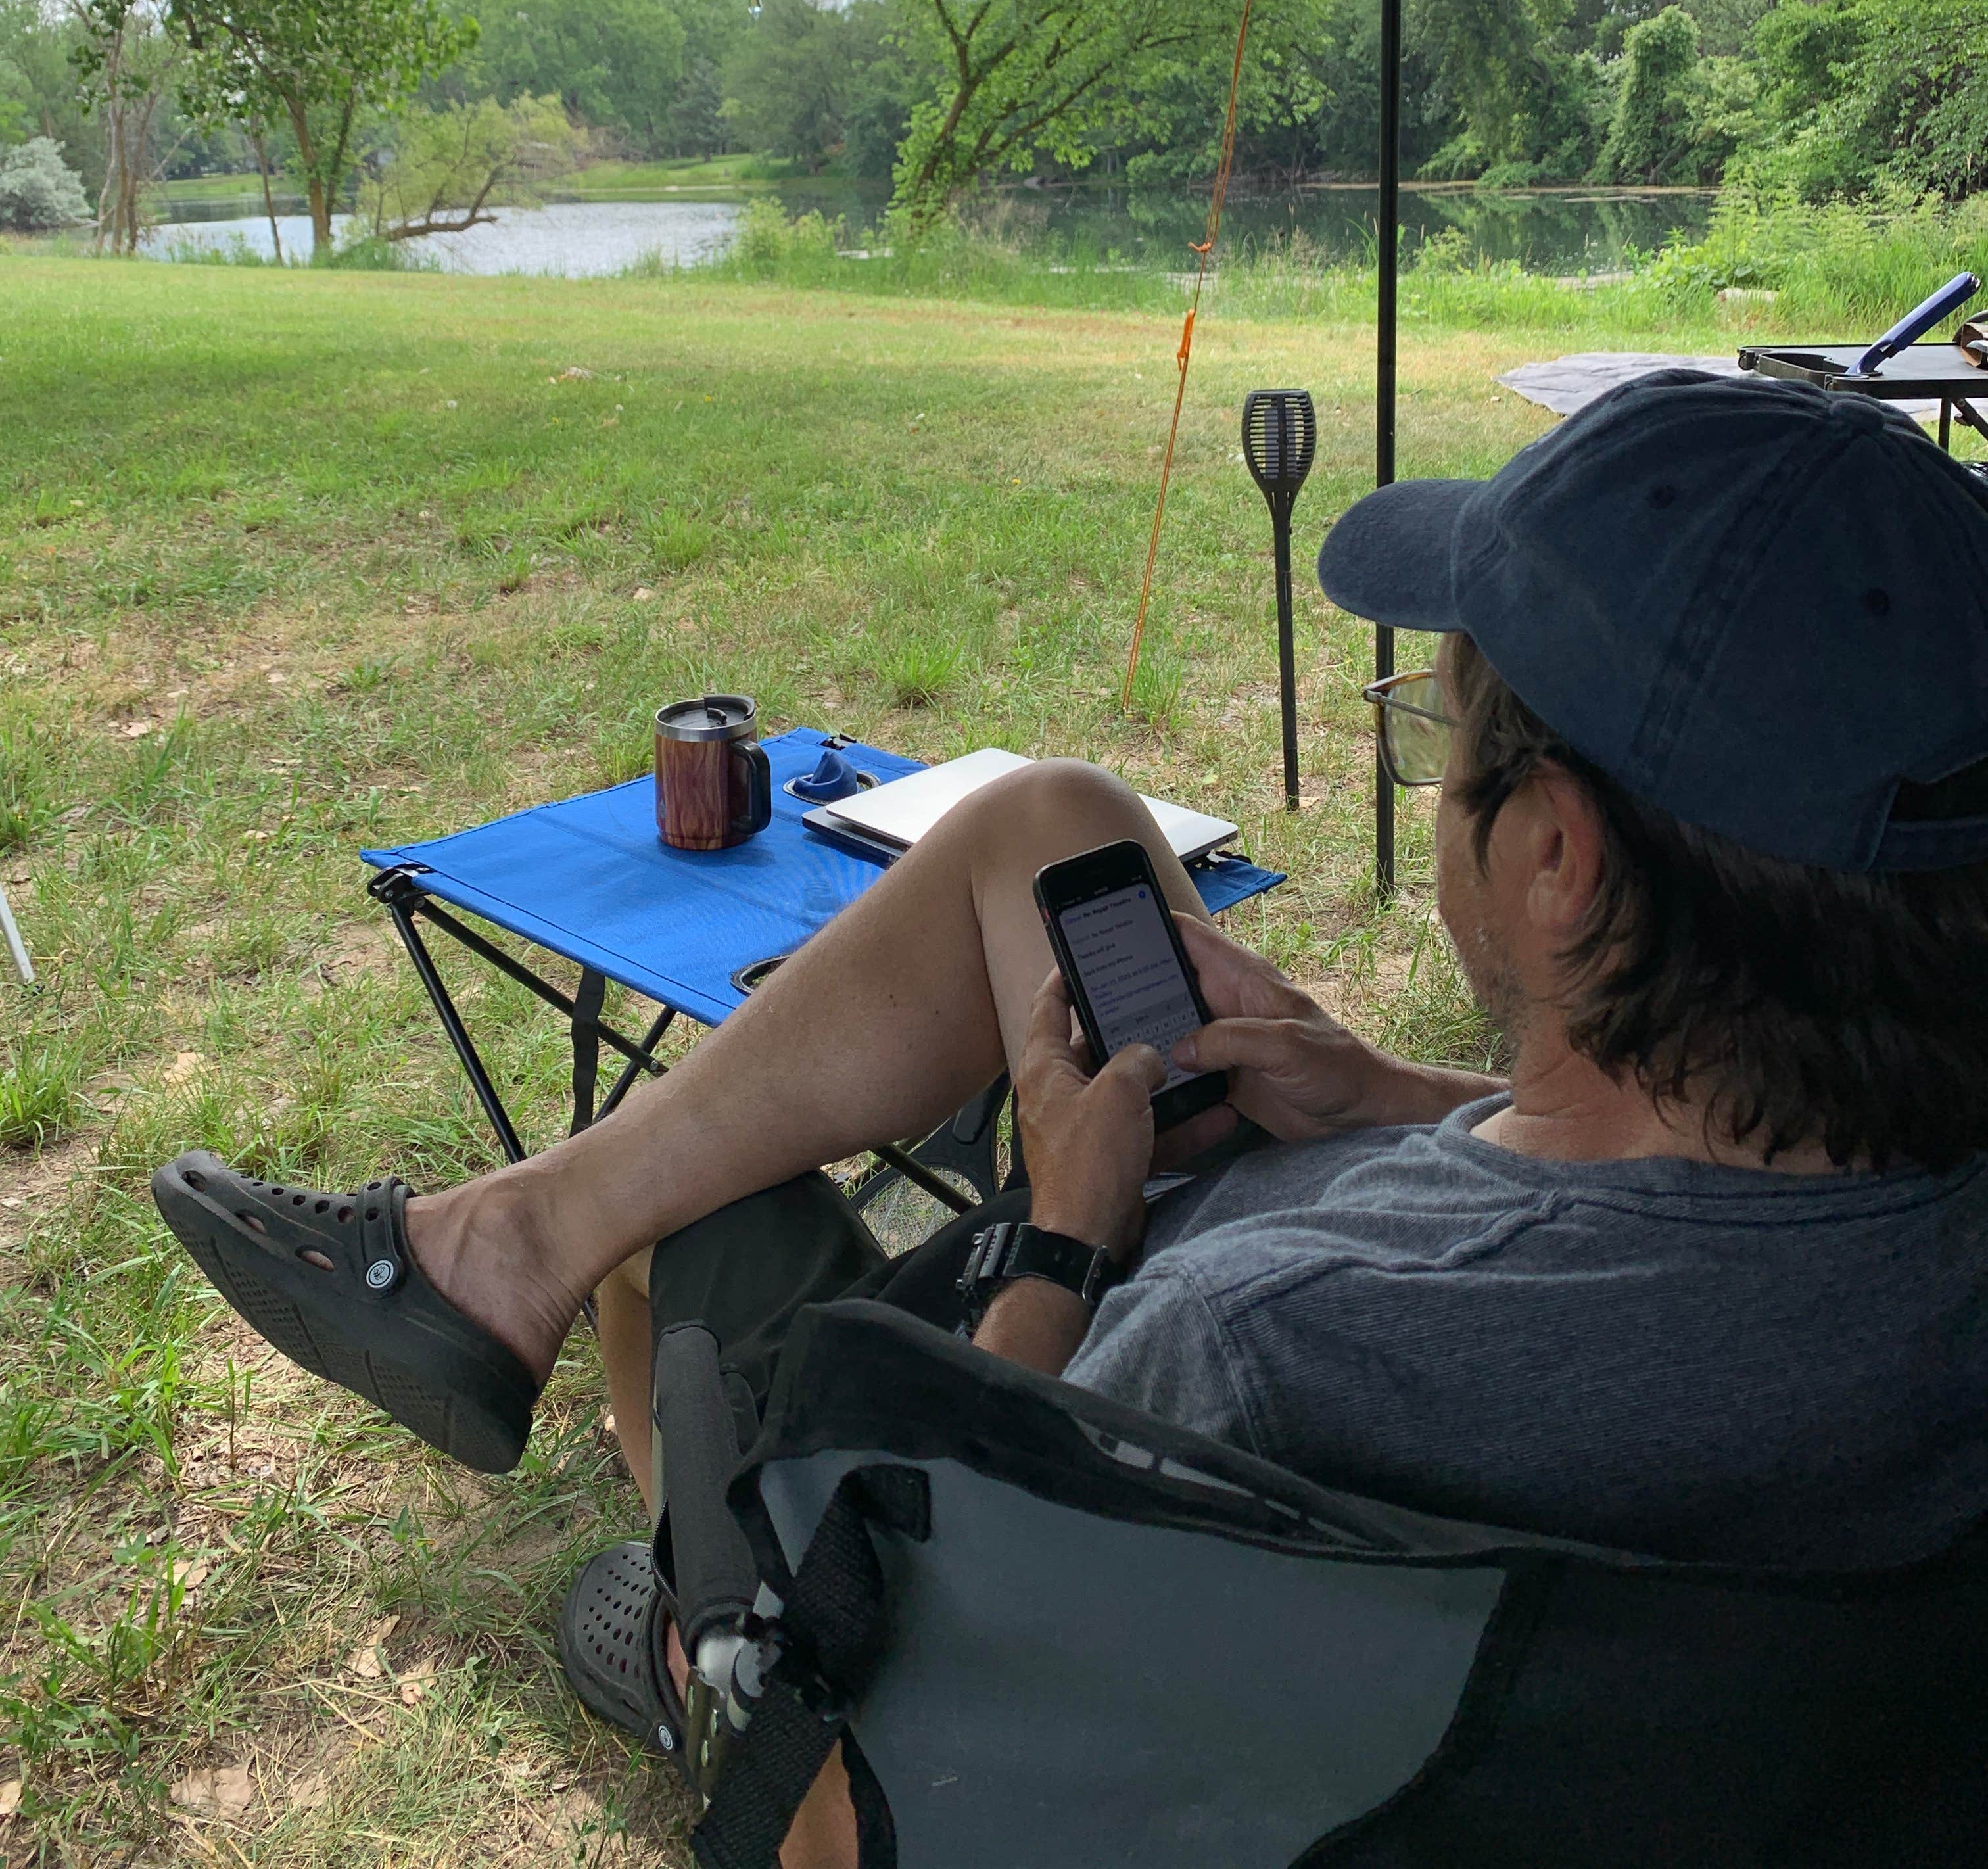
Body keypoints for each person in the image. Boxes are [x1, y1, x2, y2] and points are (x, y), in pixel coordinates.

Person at [154, 373, 1988, 1844]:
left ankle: (690, 1611)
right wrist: (1384, 1097)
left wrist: (1063, 1230)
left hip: (999, 1486)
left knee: (690, 1214)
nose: (1428, 783)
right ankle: (496, 1262)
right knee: (1055, 821)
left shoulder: (1254, 1346)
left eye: (1442, 748)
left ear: (1559, 860)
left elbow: (959, 1673)